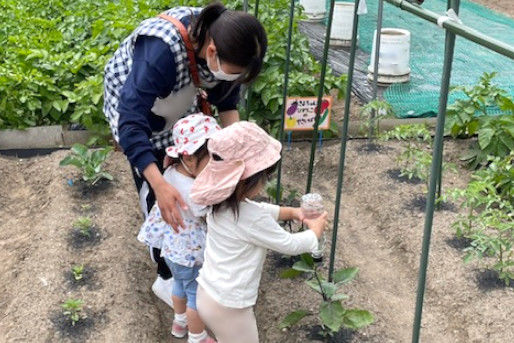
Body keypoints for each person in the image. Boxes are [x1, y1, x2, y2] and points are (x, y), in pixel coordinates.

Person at [103, 2, 267, 306]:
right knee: (161, 197)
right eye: (232, 73)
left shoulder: (225, 43)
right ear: (212, 51)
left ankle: (196, 256)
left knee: (190, 172)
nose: (231, 78)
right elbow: (131, 121)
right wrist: (160, 185)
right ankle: (167, 277)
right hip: (137, 110)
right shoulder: (161, 51)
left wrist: (237, 159)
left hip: (178, 103)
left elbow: (227, 105)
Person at [190, 121, 328, 343]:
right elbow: (289, 245)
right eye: (264, 177)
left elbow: (258, 211)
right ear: (246, 180)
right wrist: (314, 232)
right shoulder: (252, 218)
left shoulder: (220, 204)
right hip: (230, 307)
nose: (264, 183)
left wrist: (292, 212)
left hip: (207, 294)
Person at [138, 114, 219, 343]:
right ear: (191, 160)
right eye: (212, 160)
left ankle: (179, 322)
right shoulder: (193, 189)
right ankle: (197, 336)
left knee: (180, 286)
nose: (216, 167)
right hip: (190, 255)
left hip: (173, 251)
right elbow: (205, 212)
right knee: (196, 295)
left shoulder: (171, 173)